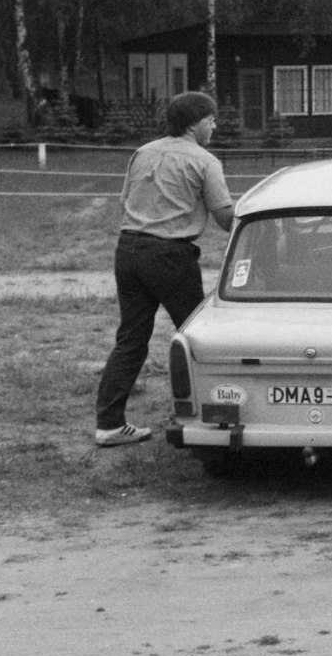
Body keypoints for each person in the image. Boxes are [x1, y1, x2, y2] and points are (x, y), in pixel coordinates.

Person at [92, 91, 233, 447]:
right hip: (170, 255)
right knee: (197, 335)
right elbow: (225, 218)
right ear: (195, 123)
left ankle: (108, 424)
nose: (214, 125)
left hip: (128, 250)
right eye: (211, 120)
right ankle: (209, 415)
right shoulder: (205, 161)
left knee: (131, 340)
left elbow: (126, 201)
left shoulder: (143, 152)